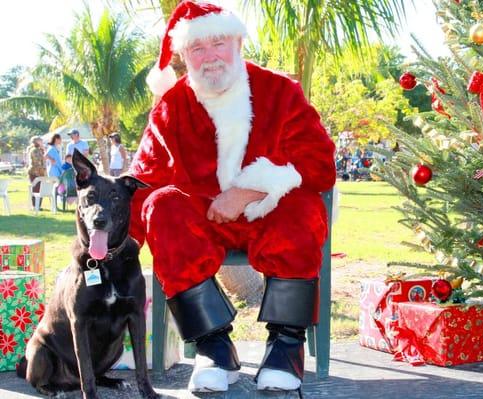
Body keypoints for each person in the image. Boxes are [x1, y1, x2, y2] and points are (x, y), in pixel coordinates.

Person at [129, 1, 336, 394]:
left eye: (218, 43)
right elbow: (144, 179)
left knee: (303, 207)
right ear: (184, 56)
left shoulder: (280, 91)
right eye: (197, 49)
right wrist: (113, 248)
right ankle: (213, 345)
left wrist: (248, 190)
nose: (210, 58)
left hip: (270, 211)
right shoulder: (171, 106)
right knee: (162, 205)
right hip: (202, 220)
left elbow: (319, 162)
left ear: (238, 42)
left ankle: (286, 344)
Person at [26, 136, 46, 209]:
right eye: (40, 140)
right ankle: (35, 206)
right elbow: (37, 162)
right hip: (35, 172)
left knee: (40, 189)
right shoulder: (34, 150)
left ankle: (38, 206)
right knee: (36, 189)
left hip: (40, 172)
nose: (42, 141)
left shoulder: (39, 150)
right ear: (36, 142)